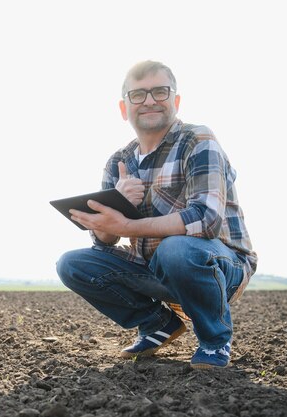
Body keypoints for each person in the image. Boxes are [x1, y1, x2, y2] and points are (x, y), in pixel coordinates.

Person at [56, 61, 258, 369]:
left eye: (159, 91)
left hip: (217, 265)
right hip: (154, 267)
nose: (149, 100)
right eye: (138, 95)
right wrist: (117, 205)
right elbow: (105, 241)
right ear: (125, 109)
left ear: (175, 101)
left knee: (175, 248)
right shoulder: (118, 162)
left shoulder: (198, 140)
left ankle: (215, 340)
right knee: (72, 263)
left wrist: (129, 224)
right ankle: (157, 324)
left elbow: (206, 220)